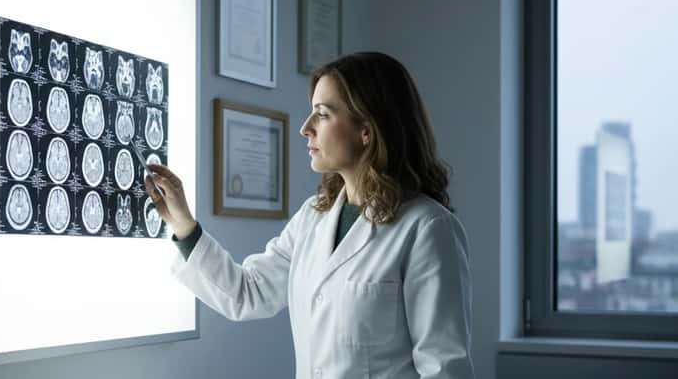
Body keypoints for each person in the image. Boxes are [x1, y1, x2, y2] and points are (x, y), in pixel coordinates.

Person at [144, 51, 474, 379]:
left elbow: (443, 369)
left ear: (367, 129)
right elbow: (249, 292)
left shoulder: (427, 228)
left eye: (323, 114)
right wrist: (183, 225)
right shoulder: (314, 217)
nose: (305, 128)